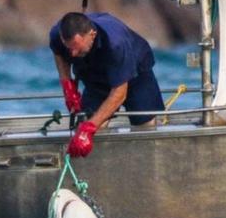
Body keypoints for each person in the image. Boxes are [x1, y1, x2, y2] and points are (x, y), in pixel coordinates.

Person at [49, 12, 165, 158]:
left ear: (92, 34)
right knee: (91, 127)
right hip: (94, 76)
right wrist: (68, 86)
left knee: (144, 124)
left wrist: (89, 128)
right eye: (69, 47)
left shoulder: (116, 43)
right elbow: (59, 53)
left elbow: (119, 93)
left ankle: (147, 162)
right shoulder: (57, 34)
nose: (72, 53)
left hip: (135, 73)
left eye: (77, 48)